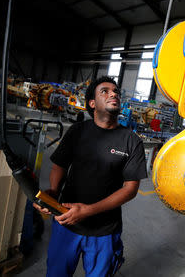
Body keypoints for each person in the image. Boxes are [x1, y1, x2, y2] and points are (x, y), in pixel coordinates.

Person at [34, 76, 148, 277]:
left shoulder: (132, 141)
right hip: (66, 222)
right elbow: (59, 166)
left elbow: (130, 189)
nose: (113, 94)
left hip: (104, 231)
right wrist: (53, 192)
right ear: (92, 103)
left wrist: (89, 210)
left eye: (116, 91)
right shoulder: (78, 131)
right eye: (105, 91)